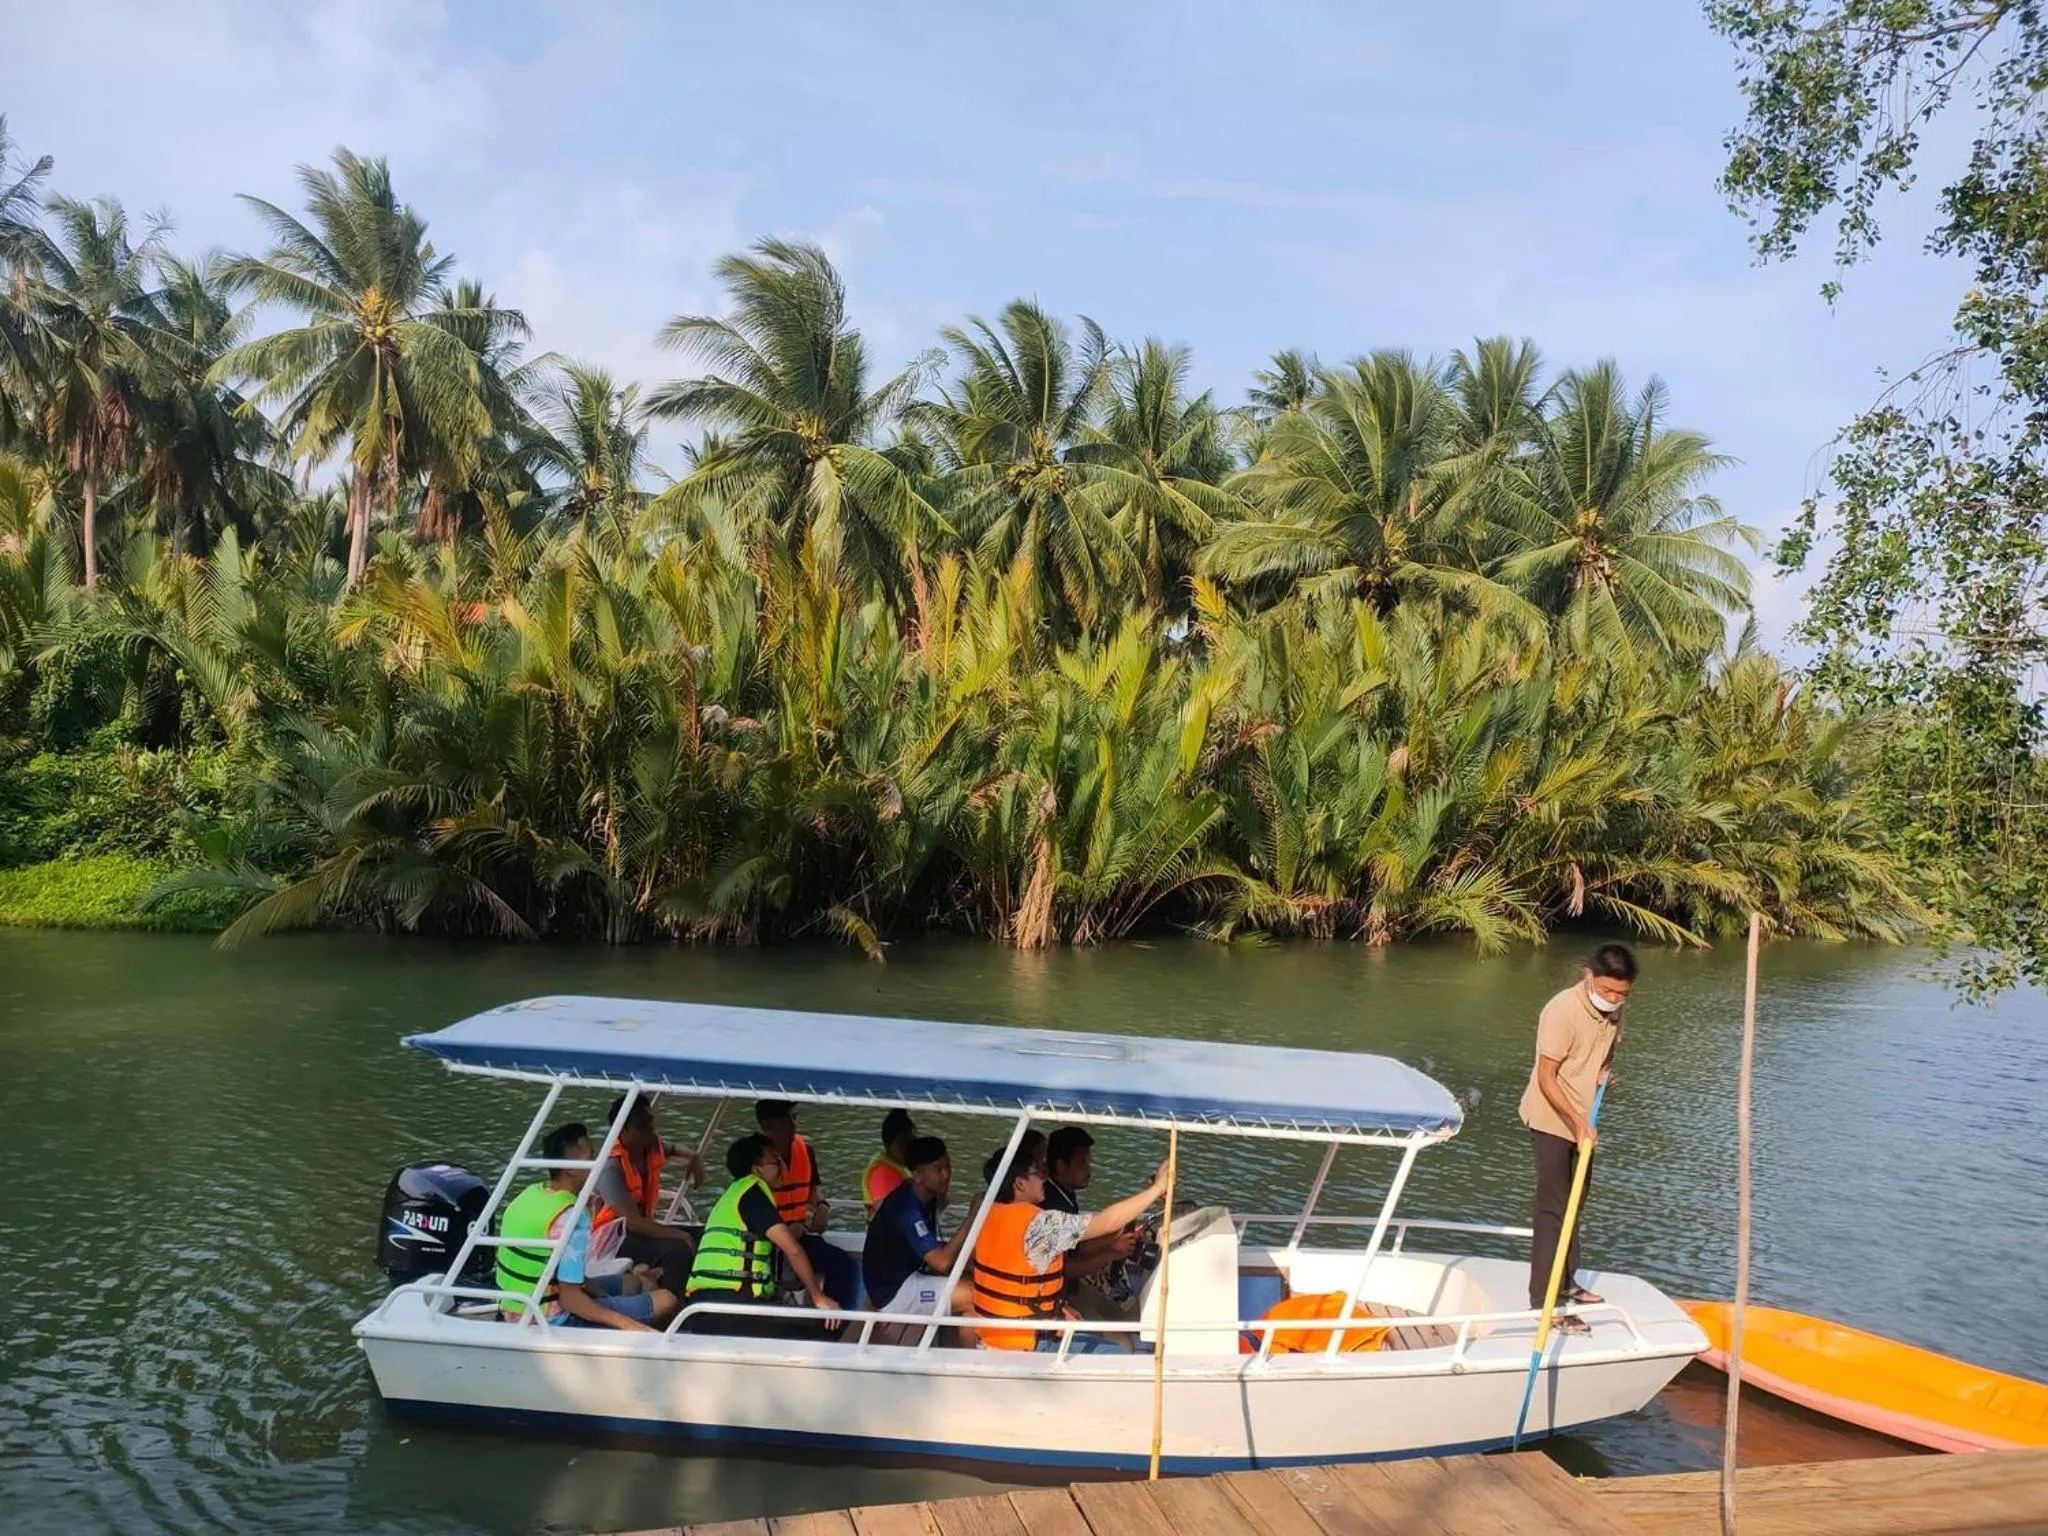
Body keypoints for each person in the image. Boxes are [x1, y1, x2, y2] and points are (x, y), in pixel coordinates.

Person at [1518, 942, 1635, 1333]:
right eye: (1607, 991)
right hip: (1552, 1119)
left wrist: (1602, 1076)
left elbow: (1601, 1057)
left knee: (1576, 1204)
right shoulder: (1561, 1011)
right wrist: (1575, 1122)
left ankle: (1567, 1283)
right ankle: (1543, 1301)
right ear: (1588, 977)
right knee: (1553, 1210)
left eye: (1622, 994)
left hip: (1584, 1120)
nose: (1614, 1000)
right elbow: (1545, 1078)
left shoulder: (1616, 1012)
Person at [969, 1147, 1169, 1352]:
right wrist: (1156, 1189)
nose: (1044, 1179)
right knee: (1118, 1354)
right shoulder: (1040, 1224)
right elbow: (1108, 1222)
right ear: (1020, 1183)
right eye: (1037, 1174)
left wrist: (1056, 1311)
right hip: (1030, 1341)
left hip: (993, 1332)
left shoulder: (987, 1214)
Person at [497, 1123, 678, 1330]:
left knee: (632, 1284)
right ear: (571, 1169)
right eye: (591, 1158)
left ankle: (640, 1283)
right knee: (667, 1300)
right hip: (554, 1319)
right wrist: (629, 1325)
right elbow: (571, 1301)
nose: (598, 1163)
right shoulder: (571, 1217)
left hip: (515, 1310)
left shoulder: (531, 1194)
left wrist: (601, 1295)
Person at [683, 1133, 844, 1337]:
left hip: (709, 1305)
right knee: (823, 1331)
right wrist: (818, 1297)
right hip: (730, 1309)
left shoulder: (735, 1193)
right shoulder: (753, 1195)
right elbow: (793, 1250)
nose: (781, 1167)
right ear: (756, 1168)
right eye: (775, 1161)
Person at [753, 1100, 858, 1307]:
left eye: (794, 1118)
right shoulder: (756, 1160)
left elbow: (813, 1193)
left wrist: (822, 1207)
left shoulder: (805, 1150)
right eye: (787, 1120)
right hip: (765, 1241)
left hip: (800, 1235)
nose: (793, 1125)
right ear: (767, 1127)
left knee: (840, 1262)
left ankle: (832, 1326)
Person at [592, 1094, 704, 1290]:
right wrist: (679, 1235)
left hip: (641, 1227)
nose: (650, 1130)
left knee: (704, 1236)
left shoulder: (649, 1145)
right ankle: (670, 1308)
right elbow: (632, 1222)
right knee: (677, 1249)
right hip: (614, 1239)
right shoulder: (611, 1165)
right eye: (641, 1126)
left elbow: (672, 1149)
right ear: (622, 1129)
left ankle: (701, 1294)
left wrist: (694, 1159)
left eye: (650, 1122)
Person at [862, 1136, 980, 1312]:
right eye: (938, 1169)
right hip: (895, 1292)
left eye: (948, 1167)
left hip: (912, 1271)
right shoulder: (906, 1210)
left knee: (976, 1269)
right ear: (917, 1175)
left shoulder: (925, 1194)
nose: (946, 1175)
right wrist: (972, 1217)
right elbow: (941, 1263)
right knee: (977, 1295)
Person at [863, 1108, 917, 1219]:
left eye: (911, 1143)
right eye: (902, 1144)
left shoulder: (899, 1165)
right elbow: (888, 1218)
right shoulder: (882, 1173)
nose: (908, 1149)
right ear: (886, 1144)